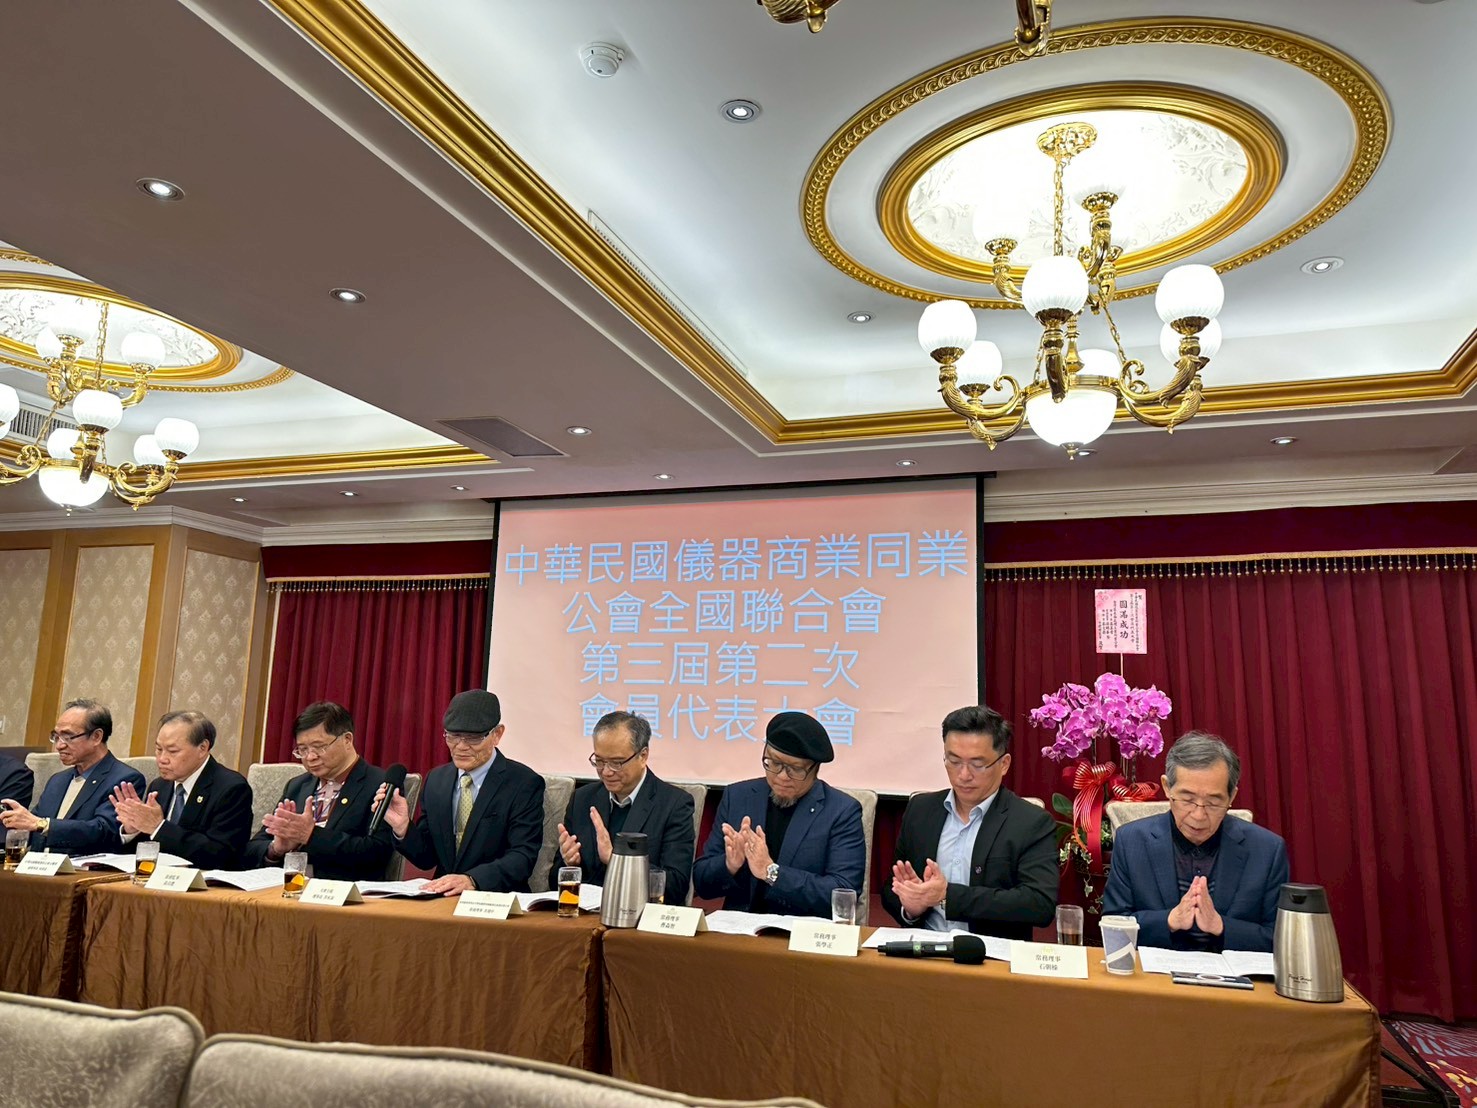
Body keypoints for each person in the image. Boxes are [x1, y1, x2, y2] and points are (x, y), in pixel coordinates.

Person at [881, 705, 1057, 940]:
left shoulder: (1031, 822)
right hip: (925, 950)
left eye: (977, 764)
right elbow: (892, 887)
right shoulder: (921, 810)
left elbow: (1039, 904)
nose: (964, 775)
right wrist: (911, 908)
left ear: (1004, 764)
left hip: (992, 955)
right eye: (954, 761)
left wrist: (947, 896)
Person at [1102, 731, 1289, 952]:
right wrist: (1170, 920)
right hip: (1155, 973)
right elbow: (1113, 925)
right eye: (1188, 800)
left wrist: (1220, 926)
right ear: (1167, 787)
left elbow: (1279, 939)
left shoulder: (1267, 850)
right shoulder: (1132, 841)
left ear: (1231, 796)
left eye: (1213, 803)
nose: (1199, 816)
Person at [692, 711, 864, 917]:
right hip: (740, 930)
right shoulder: (738, 797)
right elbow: (701, 883)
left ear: (815, 768)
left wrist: (771, 872)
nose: (782, 776)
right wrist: (729, 865)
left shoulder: (841, 811)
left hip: (802, 931)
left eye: (795, 769)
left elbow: (844, 893)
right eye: (773, 763)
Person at [372, 690, 543, 896]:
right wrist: (403, 827)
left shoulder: (523, 783)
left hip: (497, 898)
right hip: (444, 898)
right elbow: (427, 858)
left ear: (497, 734)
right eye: (453, 736)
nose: (461, 746)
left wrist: (472, 880)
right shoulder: (437, 780)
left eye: (473, 738)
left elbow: (523, 856)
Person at [241, 701, 394, 881]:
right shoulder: (298, 786)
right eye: (303, 750)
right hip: (289, 888)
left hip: (344, 892)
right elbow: (253, 848)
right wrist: (276, 849)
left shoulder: (380, 784)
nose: (310, 757)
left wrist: (311, 836)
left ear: (347, 740)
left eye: (320, 747)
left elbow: (377, 853)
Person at [553, 710, 695, 903]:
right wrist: (570, 864)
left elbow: (676, 886)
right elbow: (553, 882)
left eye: (617, 763)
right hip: (586, 915)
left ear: (643, 756)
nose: (606, 772)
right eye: (599, 761)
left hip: (639, 916)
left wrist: (617, 861)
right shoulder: (583, 799)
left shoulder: (674, 804)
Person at [0, 699, 145, 854]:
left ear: (96, 737)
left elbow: (104, 830)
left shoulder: (125, 779)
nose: (59, 745)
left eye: (68, 737)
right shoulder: (57, 780)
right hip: (38, 864)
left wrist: (43, 825)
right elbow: (32, 824)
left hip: (83, 866)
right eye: (56, 737)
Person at [112, 710, 253, 869]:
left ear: (202, 748)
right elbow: (143, 852)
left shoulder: (231, 788)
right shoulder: (159, 786)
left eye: (173, 751)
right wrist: (133, 830)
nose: (162, 759)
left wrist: (159, 828)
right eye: (159, 749)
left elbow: (221, 855)